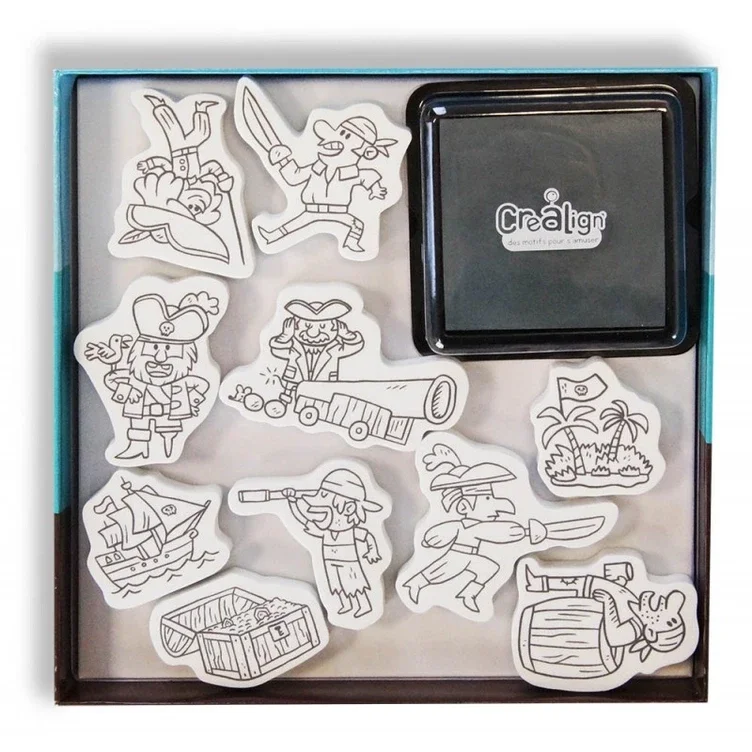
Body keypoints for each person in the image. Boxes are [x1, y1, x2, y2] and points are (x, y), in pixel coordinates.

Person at [103, 292, 216, 460]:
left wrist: (193, 398)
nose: (160, 358)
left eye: (170, 350)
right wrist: (127, 390)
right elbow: (111, 378)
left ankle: (166, 446)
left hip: (169, 416)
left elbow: (203, 385)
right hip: (140, 412)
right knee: (139, 425)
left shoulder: (182, 383)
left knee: (168, 433)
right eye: (154, 348)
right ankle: (138, 447)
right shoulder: (134, 379)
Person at [256, 117, 396, 253]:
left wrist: (376, 190)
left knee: (357, 225)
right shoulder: (316, 168)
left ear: (365, 152)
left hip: (339, 212)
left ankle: (351, 243)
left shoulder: (350, 172)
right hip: (312, 210)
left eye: (346, 136)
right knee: (293, 224)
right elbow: (295, 177)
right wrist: (284, 161)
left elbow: (367, 176)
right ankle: (271, 236)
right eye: (341, 132)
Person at [403, 462, 524, 613]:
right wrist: (431, 538)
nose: (494, 506)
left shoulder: (481, 526)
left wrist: (519, 531)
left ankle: (468, 593)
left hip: (470, 556)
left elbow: (496, 531)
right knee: (439, 573)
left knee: (490, 568)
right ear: (464, 506)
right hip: (457, 554)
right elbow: (444, 531)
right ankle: (415, 583)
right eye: (487, 499)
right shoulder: (462, 525)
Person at [524, 562, 688, 661]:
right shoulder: (636, 608)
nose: (660, 603)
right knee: (569, 582)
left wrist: (608, 602)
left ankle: (538, 584)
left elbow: (613, 637)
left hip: (589, 604)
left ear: (651, 634)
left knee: (568, 585)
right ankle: (539, 583)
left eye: (660, 612)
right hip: (591, 586)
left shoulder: (632, 631)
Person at [282, 469, 383, 618]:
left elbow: (367, 536)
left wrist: (372, 551)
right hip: (331, 563)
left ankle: (363, 605)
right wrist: (293, 502)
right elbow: (304, 519)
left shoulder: (350, 532)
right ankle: (346, 605)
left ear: (349, 508)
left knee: (354, 586)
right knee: (337, 585)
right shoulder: (326, 532)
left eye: (324, 498)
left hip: (349, 564)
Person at [265, 298, 364, 416]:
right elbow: (277, 350)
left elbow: (355, 347)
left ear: (336, 328)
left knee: (318, 402)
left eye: (322, 326)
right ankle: (282, 406)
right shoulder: (294, 348)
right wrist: (285, 337)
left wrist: (347, 335)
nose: (314, 333)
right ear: (294, 326)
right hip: (295, 380)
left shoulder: (334, 350)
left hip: (323, 383)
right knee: (289, 395)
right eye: (307, 326)